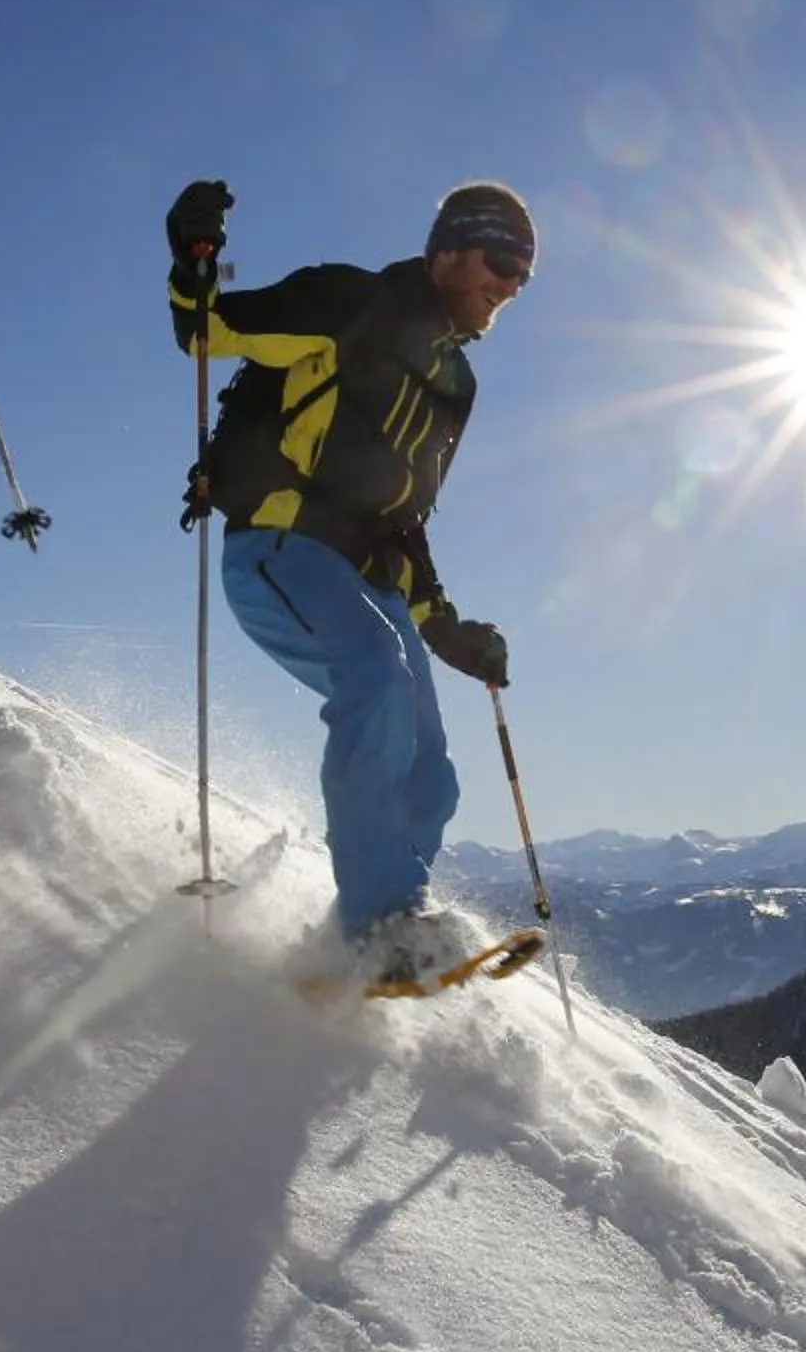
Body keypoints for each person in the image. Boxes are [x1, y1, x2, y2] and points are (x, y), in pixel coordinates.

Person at [163, 178, 531, 973]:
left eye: (523, 276)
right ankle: (380, 928)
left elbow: (408, 518)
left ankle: (362, 946)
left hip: (374, 583)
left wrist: (448, 630)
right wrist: (193, 258)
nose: (510, 287)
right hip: (283, 546)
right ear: (450, 251)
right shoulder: (350, 301)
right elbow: (208, 330)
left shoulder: (457, 384)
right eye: (502, 263)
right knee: (376, 682)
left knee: (430, 775)